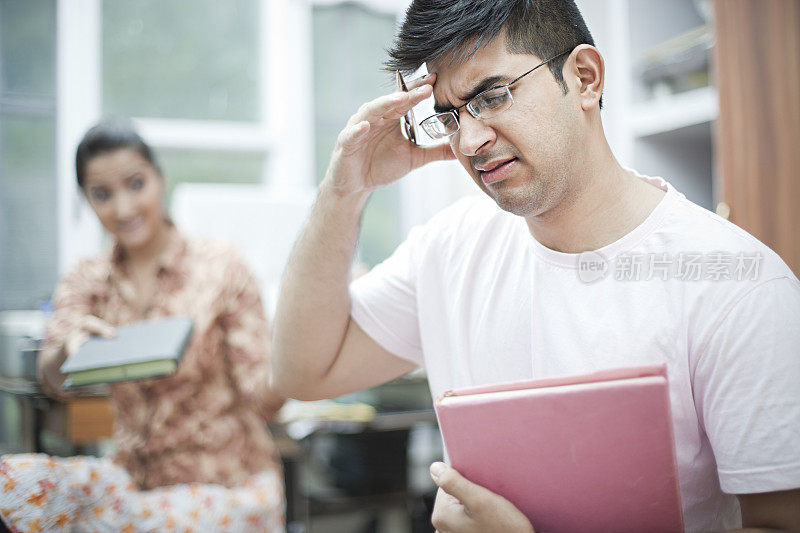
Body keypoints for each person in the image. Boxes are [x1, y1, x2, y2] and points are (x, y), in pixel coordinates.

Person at [270, 1, 800, 532]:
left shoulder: (739, 287)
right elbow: (303, 370)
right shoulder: (451, 249)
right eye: (450, 116)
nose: (470, 141)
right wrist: (344, 189)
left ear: (585, 78)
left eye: (492, 96)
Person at [0, 120, 285, 532]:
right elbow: (52, 380)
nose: (124, 208)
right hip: (135, 484)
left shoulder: (223, 268)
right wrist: (66, 349)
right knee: (17, 485)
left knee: (130, 522)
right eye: (102, 194)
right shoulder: (87, 279)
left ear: (160, 178)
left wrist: (299, 347)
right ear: (86, 200)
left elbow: (265, 397)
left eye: (136, 184)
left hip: (227, 486)